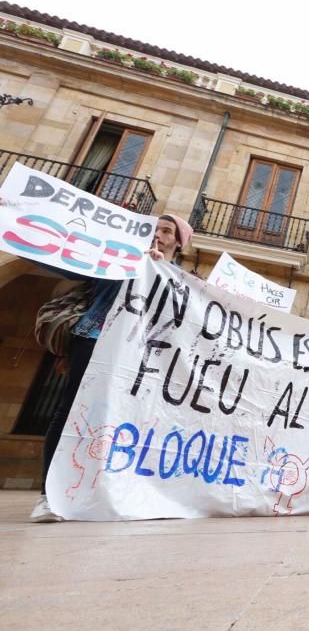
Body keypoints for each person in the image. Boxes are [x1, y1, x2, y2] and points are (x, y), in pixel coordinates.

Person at [30, 214, 193, 522]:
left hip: (139, 356)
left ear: (179, 243)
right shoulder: (117, 257)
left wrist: (159, 271)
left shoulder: (180, 278)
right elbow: (61, 260)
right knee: (69, 412)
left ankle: (104, 491)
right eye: (154, 228)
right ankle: (48, 496)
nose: (158, 234)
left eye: (167, 231)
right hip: (94, 339)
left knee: (123, 420)